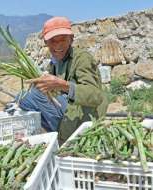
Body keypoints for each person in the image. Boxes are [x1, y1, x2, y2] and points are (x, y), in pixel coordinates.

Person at [13, 16, 108, 145]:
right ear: (46, 43)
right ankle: (52, 134)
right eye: (52, 41)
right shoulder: (55, 63)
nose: (58, 45)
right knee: (24, 98)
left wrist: (63, 85)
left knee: (34, 95)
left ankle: (62, 136)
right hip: (67, 108)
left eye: (63, 39)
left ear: (71, 39)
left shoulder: (82, 58)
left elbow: (96, 96)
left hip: (84, 114)